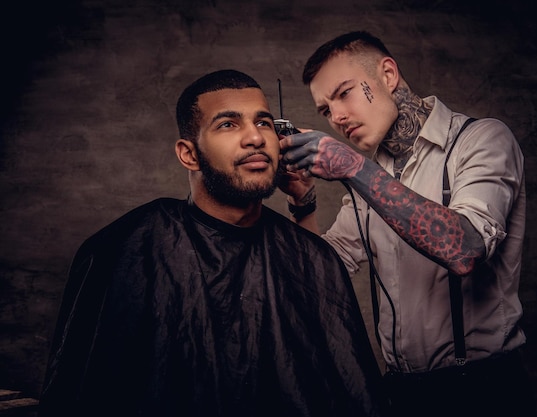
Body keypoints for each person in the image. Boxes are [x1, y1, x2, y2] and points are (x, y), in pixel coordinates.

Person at [38, 69, 390, 417]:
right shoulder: (126, 249)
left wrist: (305, 204)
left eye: (264, 123)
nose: (255, 138)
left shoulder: (311, 256)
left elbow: (349, 393)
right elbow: (86, 392)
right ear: (189, 154)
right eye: (228, 124)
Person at [279, 31, 535, 416]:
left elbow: (465, 249)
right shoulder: (371, 176)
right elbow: (319, 276)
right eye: (325, 110)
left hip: (483, 390)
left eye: (344, 93)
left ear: (387, 74)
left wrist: (353, 167)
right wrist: (304, 202)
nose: (337, 117)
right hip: (401, 393)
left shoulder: (481, 140)